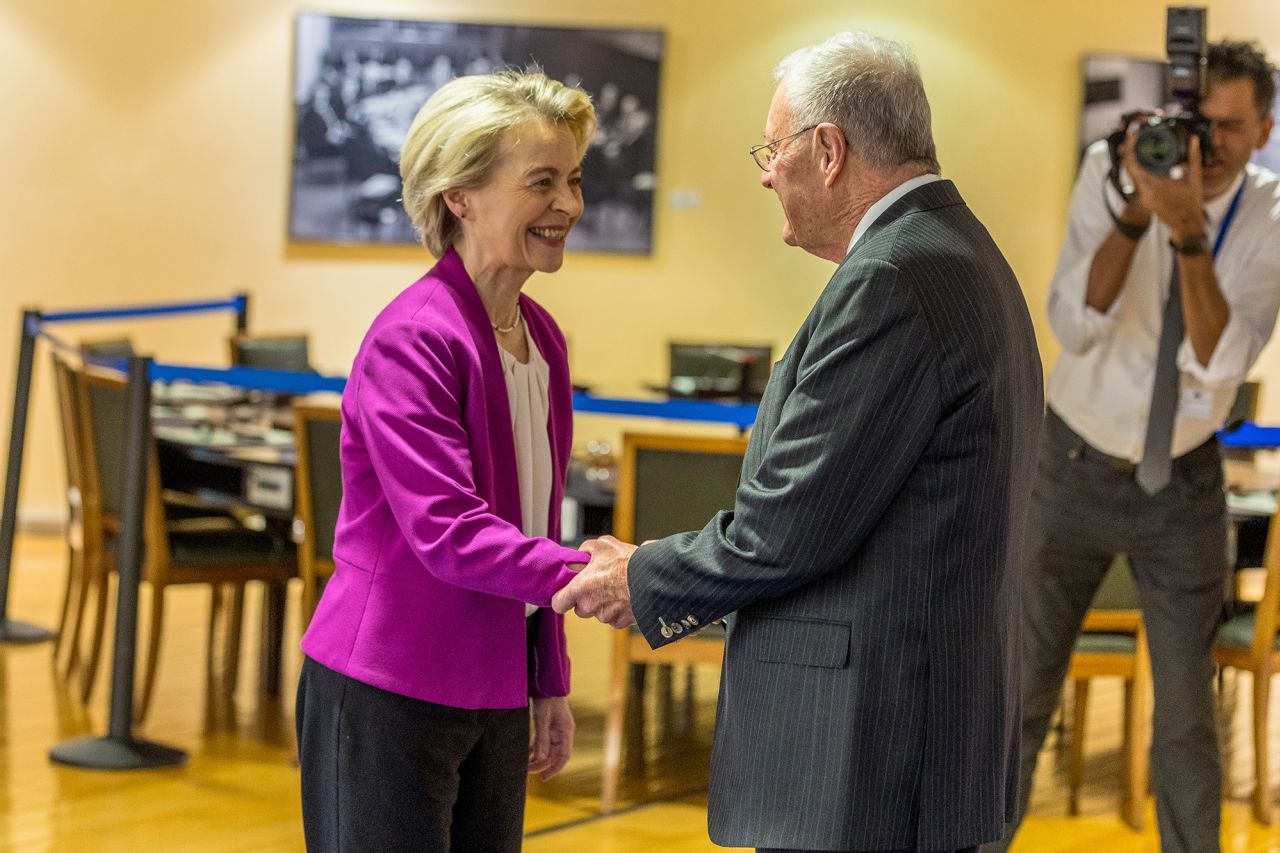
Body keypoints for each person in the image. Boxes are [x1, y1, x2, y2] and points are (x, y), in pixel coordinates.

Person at [553, 31, 1043, 853]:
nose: (765, 171)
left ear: (828, 149)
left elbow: (788, 527)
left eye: (773, 148)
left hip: (871, 754)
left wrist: (642, 576)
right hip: (921, 733)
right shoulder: (957, 251)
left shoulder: (893, 277)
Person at [295, 71, 595, 852]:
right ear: (460, 195)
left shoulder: (545, 338)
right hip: (388, 685)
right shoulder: (415, 337)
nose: (569, 205)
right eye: (542, 182)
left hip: (493, 687)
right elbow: (451, 531)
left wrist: (549, 677)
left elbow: (532, 518)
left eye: (573, 180)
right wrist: (594, 575)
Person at [992, 41, 1280, 853]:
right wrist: (1134, 210)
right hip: (1071, 464)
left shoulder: (1269, 214)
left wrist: (1189, 231)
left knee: (1189, 715)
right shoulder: (1111, 168)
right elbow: (1073, 322)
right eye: (1198, 123)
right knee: (1021, 692)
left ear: (1262, 130)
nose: (1207, 146)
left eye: (1229, 128)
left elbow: (1219, 357)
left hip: (1183, 481)